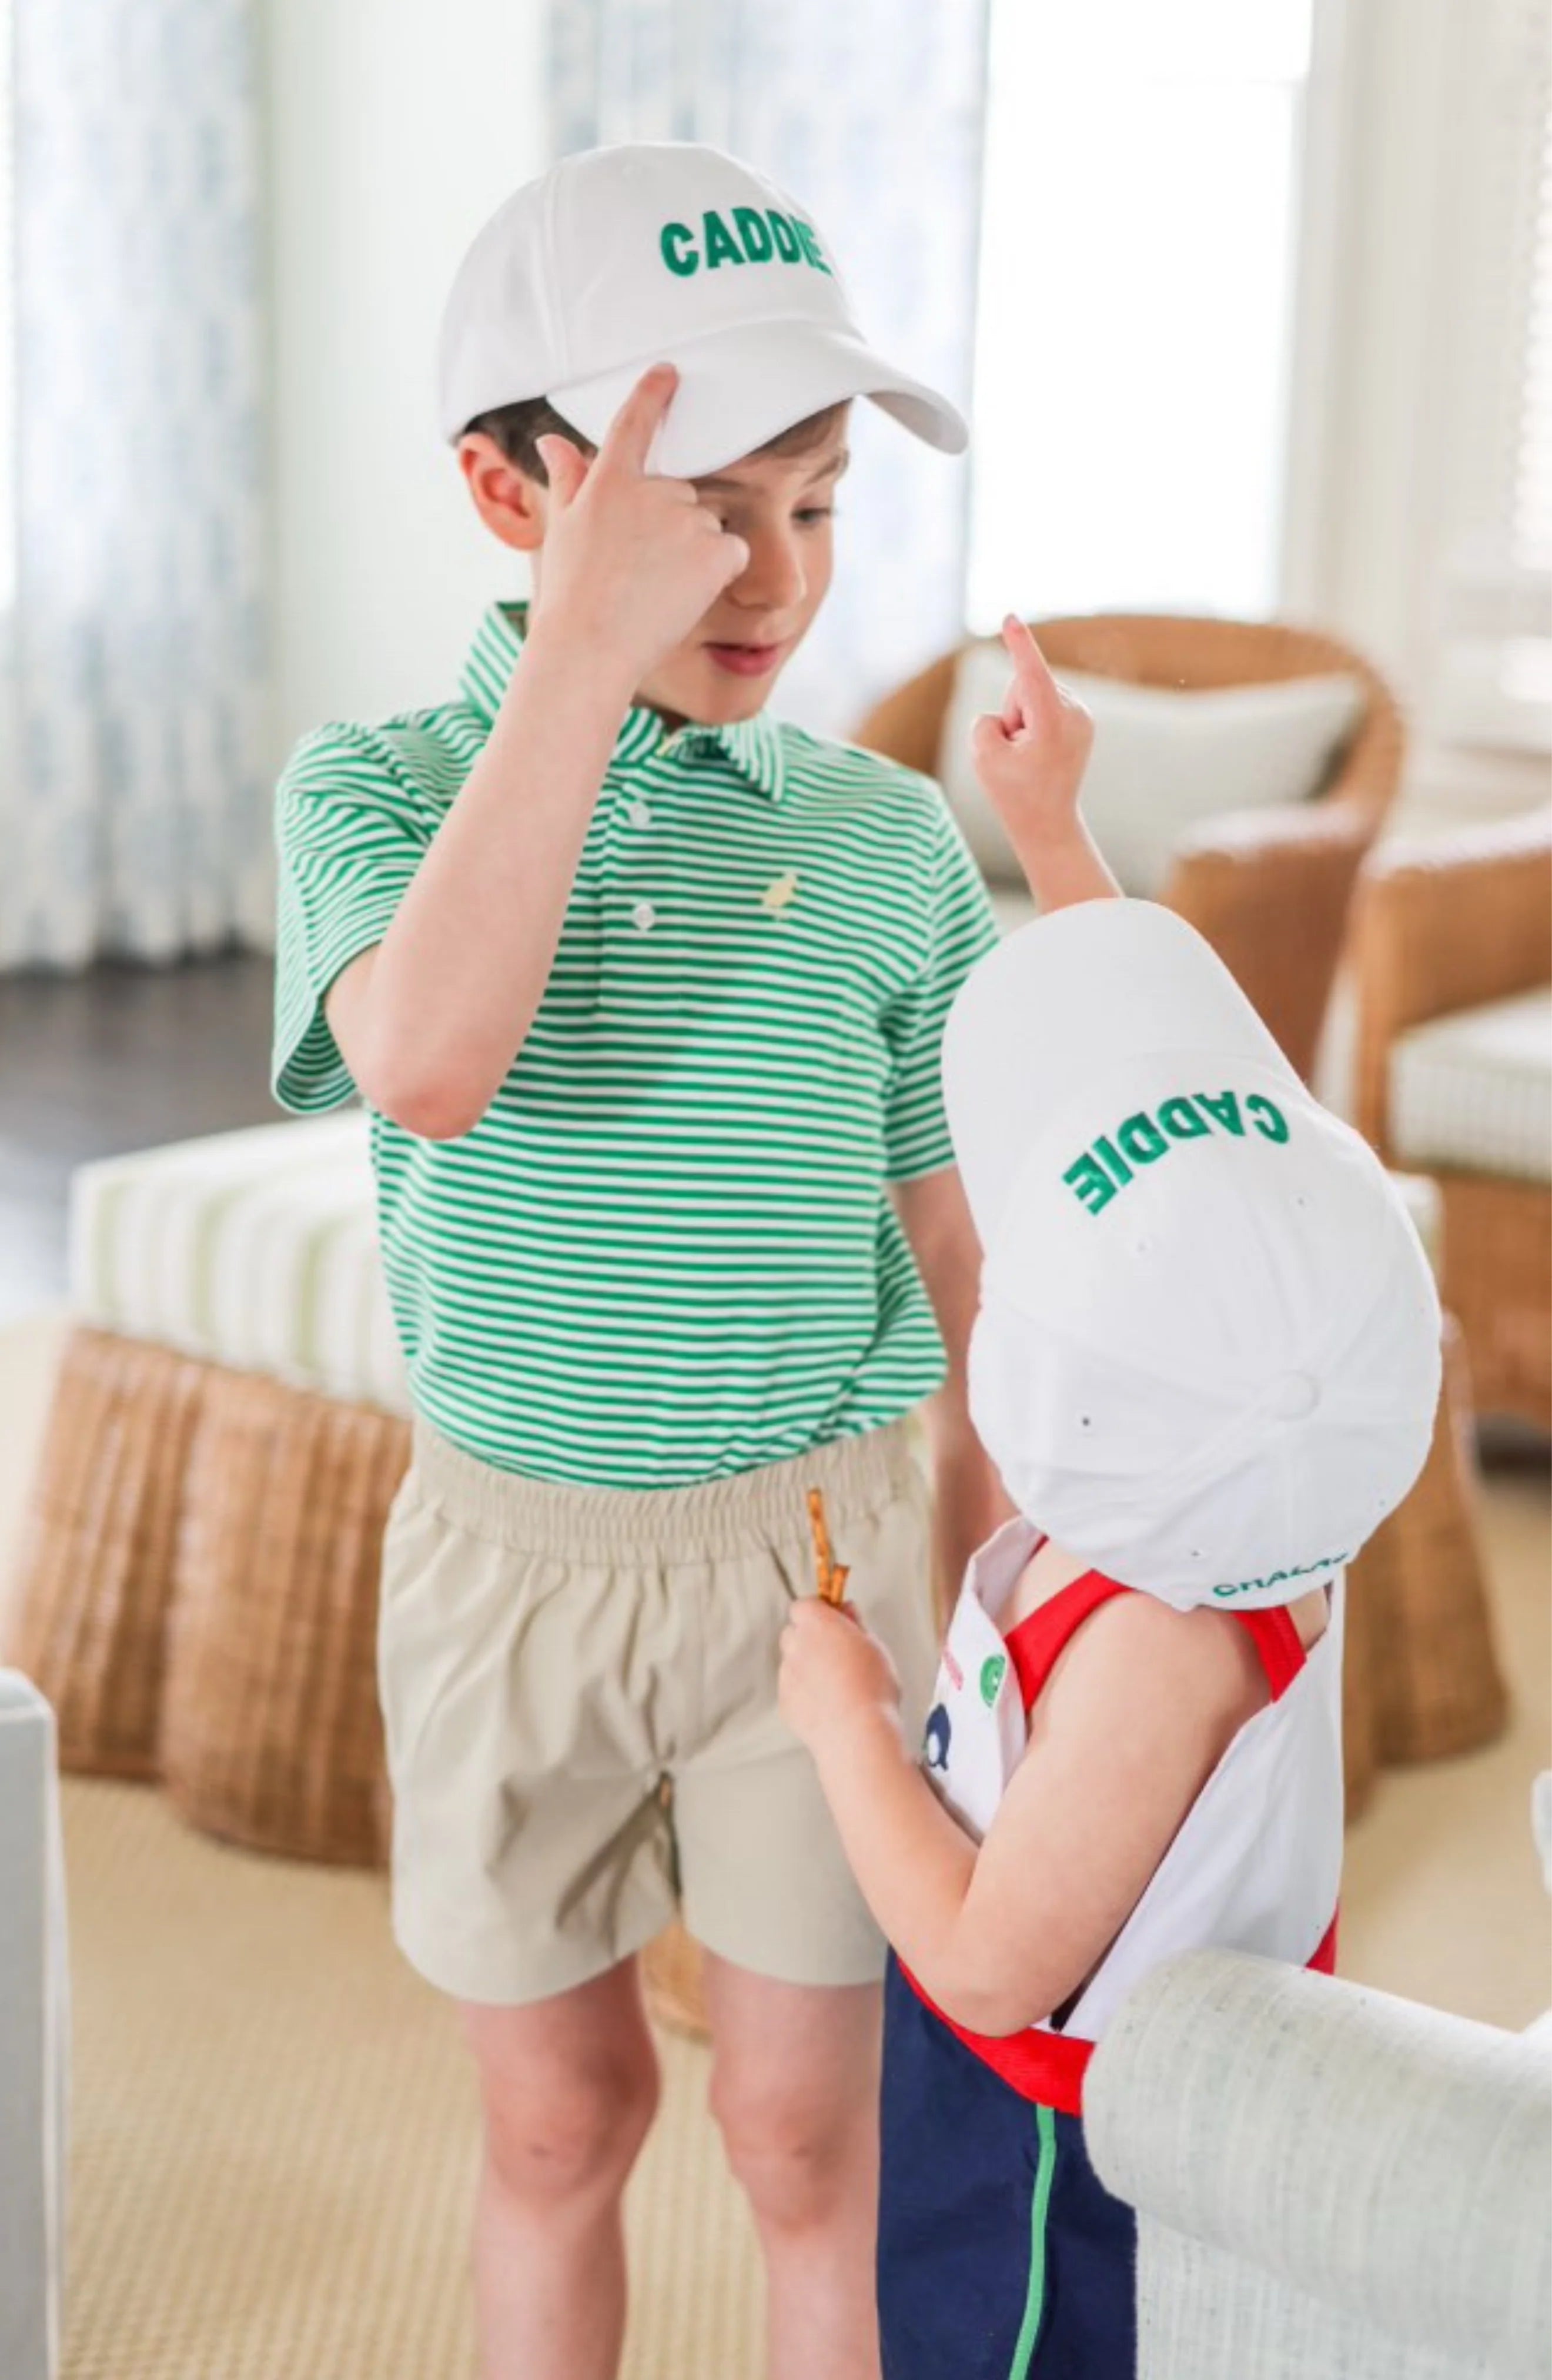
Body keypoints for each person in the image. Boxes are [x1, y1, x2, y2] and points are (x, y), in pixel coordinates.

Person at [272, 138, 1011, 2380]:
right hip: (512, 1568)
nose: (769, 570)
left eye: (811, 505)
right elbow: (429, 1062)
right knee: (561, 2119)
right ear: (519, 495)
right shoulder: (376, 792)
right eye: (702, 509)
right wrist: (575, 685)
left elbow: (956, 1228)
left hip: (819, 1564)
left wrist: (997, 1562)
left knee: (811, 2139)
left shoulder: (885, 842)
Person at [779, 616, 1443, 2379]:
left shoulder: (1156, 1647)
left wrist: (846, 1724)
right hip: (1157, 2077)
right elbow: (1160, 1097)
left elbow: (996, 1968)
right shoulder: (1266, 1463)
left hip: (1057, 2151)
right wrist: (1057, 832)